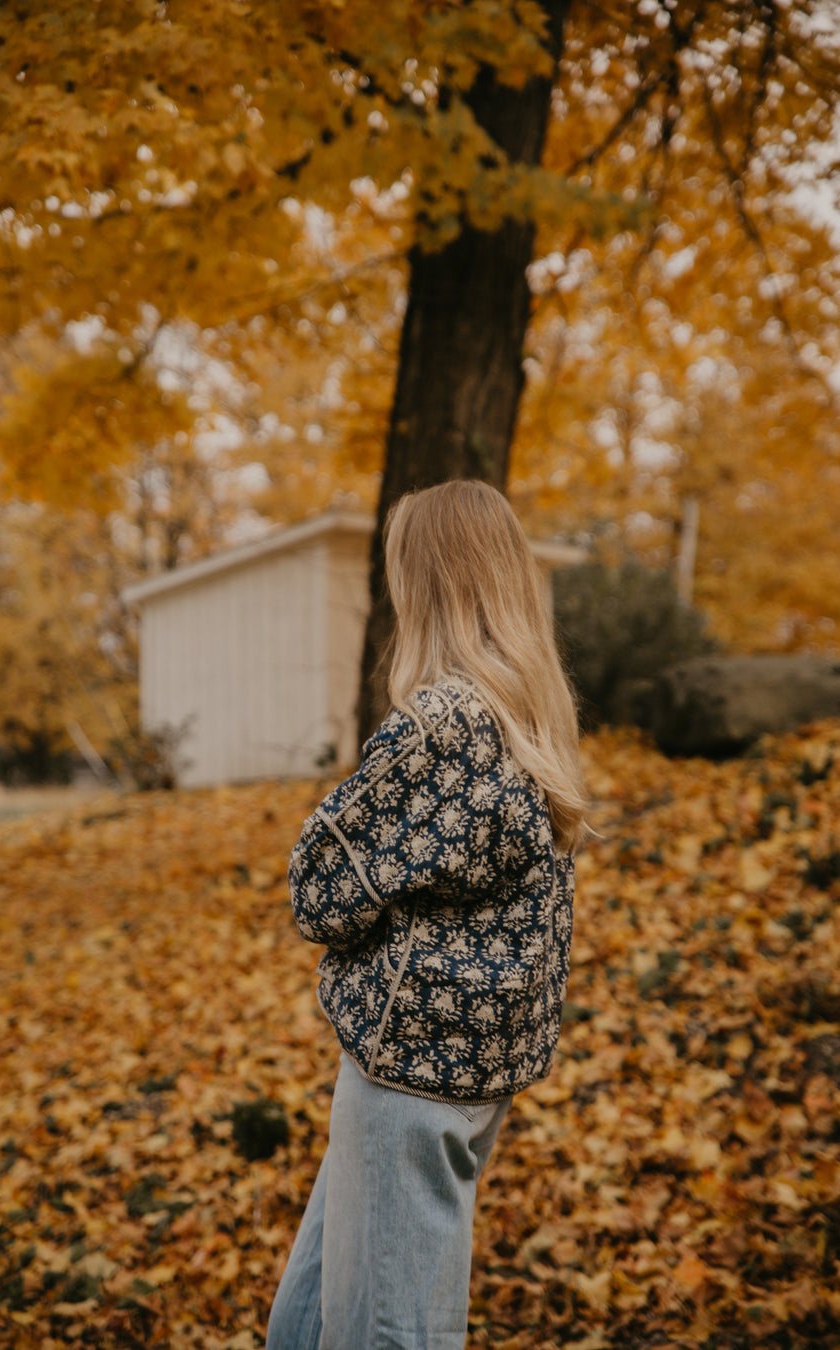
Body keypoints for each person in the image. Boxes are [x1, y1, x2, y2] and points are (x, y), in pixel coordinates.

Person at [266, 479, 587, 1350]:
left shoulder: (444, 724)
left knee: (386, 1336)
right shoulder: (531, 714)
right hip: (474, 1068)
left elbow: (321, 887)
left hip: (408, 1075)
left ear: (428, 580)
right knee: (301, 1326)